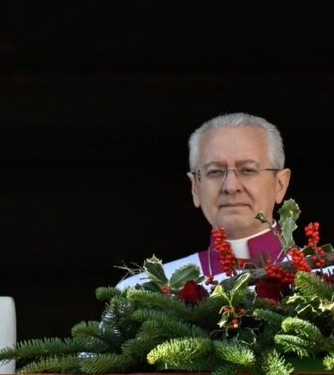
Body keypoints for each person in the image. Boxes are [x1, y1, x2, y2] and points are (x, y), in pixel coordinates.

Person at [116, 112, 292, 289]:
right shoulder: (144, 292)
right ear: (195, 188)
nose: (230, 187)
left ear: (280, 185)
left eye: (247, 170)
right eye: (214, 172)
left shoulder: (318, 278)